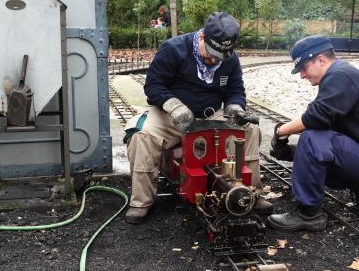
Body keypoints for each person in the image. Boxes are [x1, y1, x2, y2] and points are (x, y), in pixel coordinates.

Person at [124, 12, 273, 224]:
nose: (214, 60)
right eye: (210, 54)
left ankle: (249, 194)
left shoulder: (230, 59)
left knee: (250, 130)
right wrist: (174, 106)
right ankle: (141, 202)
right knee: (142, 135)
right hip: (172, 116)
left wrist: (235, 107)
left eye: (220, 57)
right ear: (202, 36)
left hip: (213, 115)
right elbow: (153, 86)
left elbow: (236, 90)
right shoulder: (173, 49)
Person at [267, 34, 359, 232]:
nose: (302, 75)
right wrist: (294, 153)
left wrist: (280, 131)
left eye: (303, 68)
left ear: (320, 60)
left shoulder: (341, 74)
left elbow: (316, 118)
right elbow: (330, 129)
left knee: (311, 137)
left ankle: (309, 215)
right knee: (312, 138)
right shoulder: (341, 75)